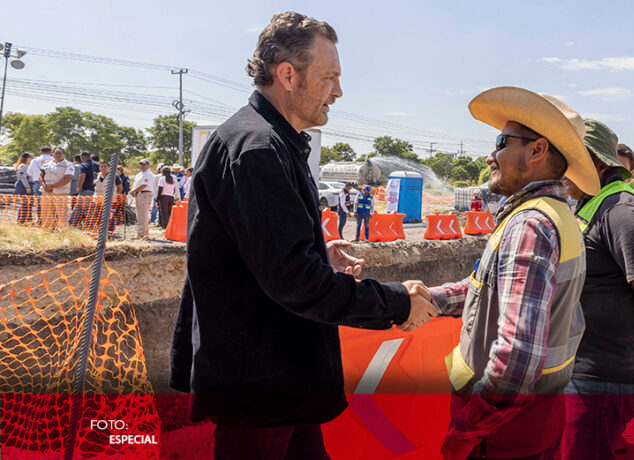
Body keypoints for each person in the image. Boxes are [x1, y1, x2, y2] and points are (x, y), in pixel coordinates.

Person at [169, 12, 437, 460]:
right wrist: (395, 302)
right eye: (329, 76)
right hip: (260, 385)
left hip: (282, 376)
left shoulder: (274, 141)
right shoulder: (256, 150)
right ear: (288, 75)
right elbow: (293, 280)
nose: (338, 90)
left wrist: (317, 252)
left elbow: (265, 257)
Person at [422, 86, 598, 460]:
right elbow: (491, 290)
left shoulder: (530, 225)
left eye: (502, 142)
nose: (491, 156)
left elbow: (516, 357)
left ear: (537, 150)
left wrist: (468, 431)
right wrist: (429, 299)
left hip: (501, 438)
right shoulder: (556, 216)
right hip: (536, 423)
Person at [559, 120, 634, 460]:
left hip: (602, 373)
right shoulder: (591, 204)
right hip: (581, 365)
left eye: (569, 159)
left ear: (596, 162)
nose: (562, 168)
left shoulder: (622, 211)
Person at [39, 148, 75, 230]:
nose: (58, 155)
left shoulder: (68, 165)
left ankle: (62, 232)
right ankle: (46, 231)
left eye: (60, 153)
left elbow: (67, 179)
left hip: (60, 193)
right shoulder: (46, 164)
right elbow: (40, 176)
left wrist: (52, 186)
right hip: (46, 192)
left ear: (64, 155)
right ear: (52, 154)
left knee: (62, 214)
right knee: (45, 213)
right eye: (56, 153)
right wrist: (44, 185)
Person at [131, 159, 156, 238]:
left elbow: (144, 185)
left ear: (148, 165)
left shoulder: (149, 174)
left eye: (144, 165)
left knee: (143, 214)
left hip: (145, 193)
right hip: (139, 194)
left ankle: (143, 234)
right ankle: (140, 233)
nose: (142, 166)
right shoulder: (139, 174)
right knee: (139, 214)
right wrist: (134, 191)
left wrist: (133, 191)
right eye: (141, 164)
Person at [14, 153, 34, 225]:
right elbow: (23, 177)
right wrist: (27, 187)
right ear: (26, 158)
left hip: (25, 184)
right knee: (25, 202)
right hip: (23, 185)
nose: (32, 159)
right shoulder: (23, 166)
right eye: (31, 157)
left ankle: (27, 219)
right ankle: (21, 220)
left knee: (29, 202)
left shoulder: (27, 166)